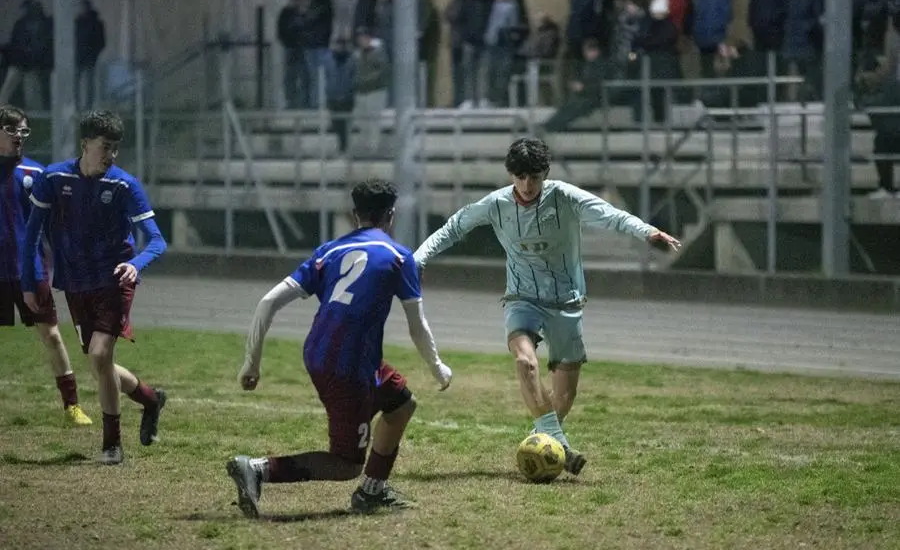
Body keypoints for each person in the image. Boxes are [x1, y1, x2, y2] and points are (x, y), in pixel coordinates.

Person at [413, 138, 681, 476]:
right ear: (511, 175)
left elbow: (611, 215)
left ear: (545, 174)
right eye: (520, 177)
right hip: (522, 300)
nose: (527, 185)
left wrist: (648, 232)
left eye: (535, 177)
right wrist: (417, 258)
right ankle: (557, 443)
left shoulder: (566, 197)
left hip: (567, 303)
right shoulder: (496, 204)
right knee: (525, 361)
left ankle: (546, 441)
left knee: (563, 397)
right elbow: (454, 227)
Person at [228, 179, 453, 517]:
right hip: (348, 367)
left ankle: (372, 491)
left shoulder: (329, 251)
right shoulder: (398, 256)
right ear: (391, 215)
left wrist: (251, 363)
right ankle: (259, 469)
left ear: (354, 214)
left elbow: (267, 302)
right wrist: (438, 367)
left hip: (325, 353)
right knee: (346, 463)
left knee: (401, 404)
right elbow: (417, 326)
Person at [21, 110, 169, 465]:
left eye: (116, 148)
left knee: (100, 355)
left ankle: (111, 445)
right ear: (85, 143)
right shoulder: (52, 179)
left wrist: (135, 265)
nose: (111, 155)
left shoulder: (123, 185)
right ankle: (149, 399)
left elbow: (158, 241)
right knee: (99, 363)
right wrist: (30, 284)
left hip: (114, 281)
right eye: (105, 146)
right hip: (74, 283)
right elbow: (31, 238)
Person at [0, 105, 91, 425]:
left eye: (23, 131)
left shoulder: (36, 174)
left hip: (30, 270)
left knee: (51, 335)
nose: (19, 138)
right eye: (12, 131)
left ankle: (71, 406)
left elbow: (55, 225)